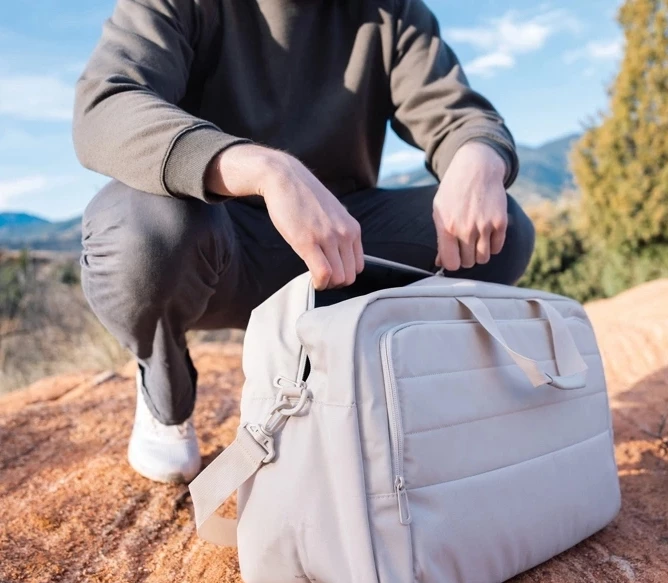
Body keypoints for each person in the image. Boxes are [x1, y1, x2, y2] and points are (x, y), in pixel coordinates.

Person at [74, 0, 535, 484]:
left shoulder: (392, 11)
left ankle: (377, 383)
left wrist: (478, 155)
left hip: (344, 247)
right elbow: (106, 104)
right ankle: (164, 392)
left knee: (502, 230)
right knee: (139, 234)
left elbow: (455, 112)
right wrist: (266, 169)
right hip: (212, 241)